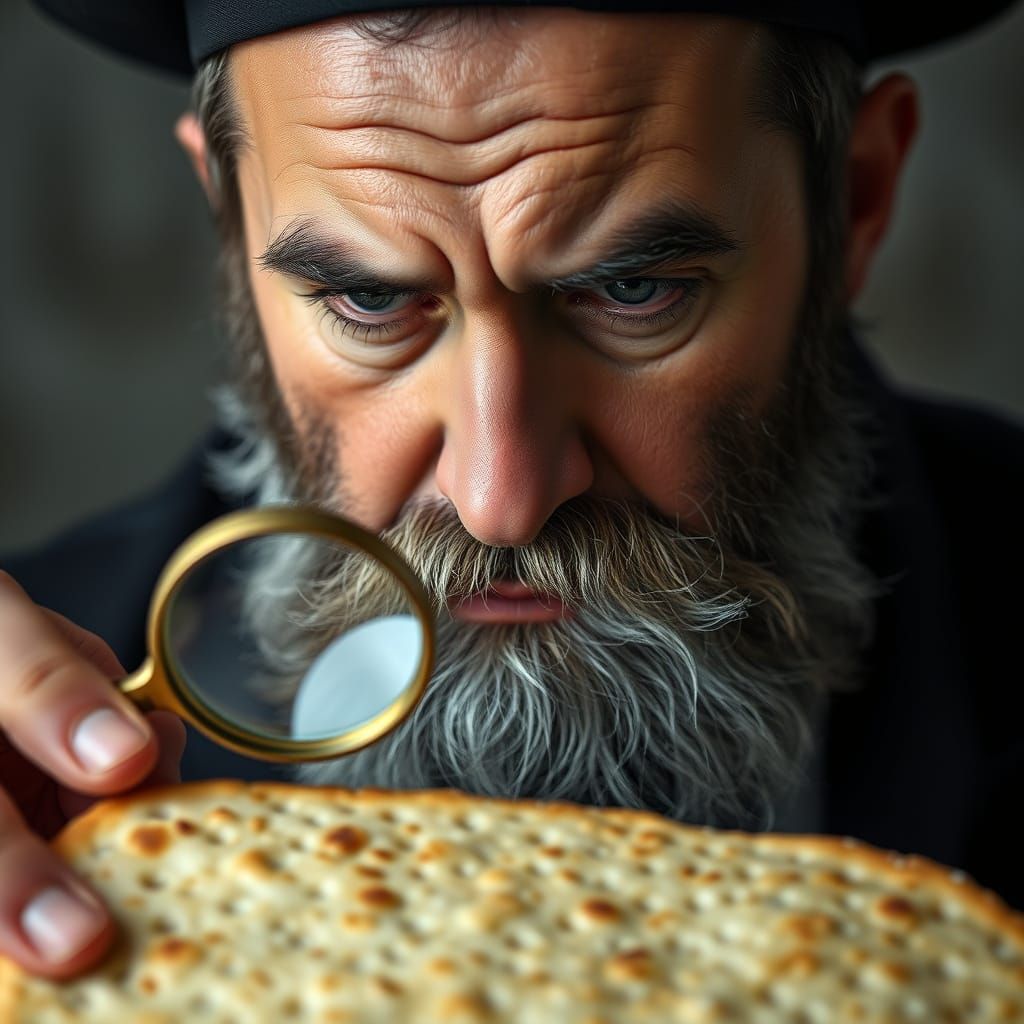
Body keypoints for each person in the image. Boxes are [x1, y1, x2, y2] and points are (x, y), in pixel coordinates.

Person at [1, 0, 1021, 980]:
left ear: (857, 201)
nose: (501, 497)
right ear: (228, 222)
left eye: (634, 291)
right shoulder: (34, 754)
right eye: (369, 299)